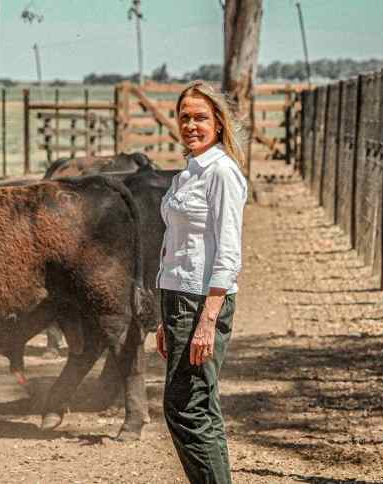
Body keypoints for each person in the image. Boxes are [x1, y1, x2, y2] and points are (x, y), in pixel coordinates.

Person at [155, 80, 247, 484]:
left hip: (200, 303)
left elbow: (228, 254)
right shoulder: (189, 173)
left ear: (219, 123)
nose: (191, 125)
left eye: (200, 117)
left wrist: (207, 320)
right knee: (199, 406)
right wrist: (165, 318)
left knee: (187, 407)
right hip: (178, 301)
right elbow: (175, 246)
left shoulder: (222, 173)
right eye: (184, 117)